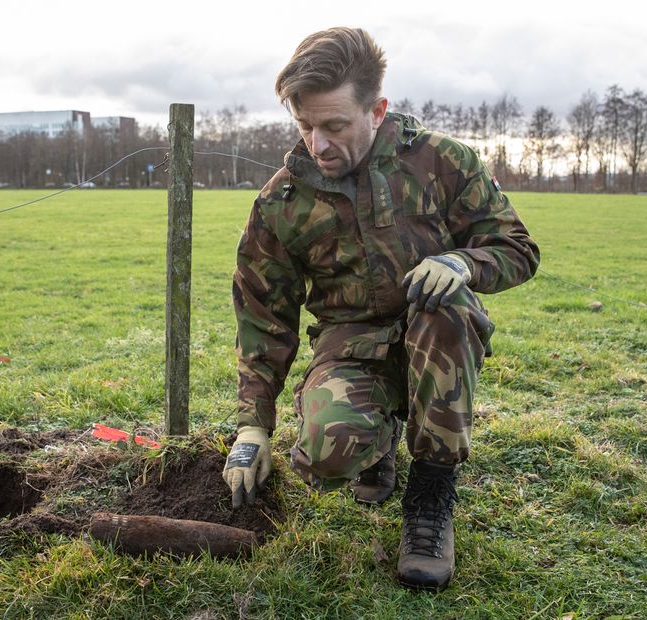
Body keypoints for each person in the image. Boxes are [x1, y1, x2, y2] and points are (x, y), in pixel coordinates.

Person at [221, 27, 539, 591]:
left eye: (335, 126)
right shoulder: (283, 201)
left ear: (377, 109)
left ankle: (431, 494)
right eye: (305, 127)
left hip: (435, 335)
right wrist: (254, 426)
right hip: (352, 350)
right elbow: (262, 314)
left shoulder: (441, 162)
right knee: (323, 456)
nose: (318, 145)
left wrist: (464, 264)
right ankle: (375, 445)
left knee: (446, 307)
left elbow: (517, 248)